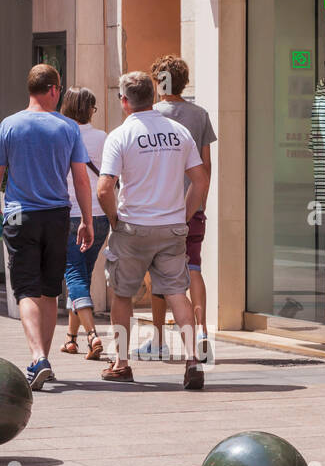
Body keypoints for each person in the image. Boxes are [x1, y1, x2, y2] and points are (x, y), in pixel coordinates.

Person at [96, 71, 210, 390]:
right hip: (171, 227)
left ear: (124, 101)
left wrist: (115, 220)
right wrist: (184, 216)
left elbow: (105, 188)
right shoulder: (179, 132)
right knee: (177, 293)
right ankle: (191, 359)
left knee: (122, 294)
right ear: (153, 95)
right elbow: (200, 180)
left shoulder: (120, 135)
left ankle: (120, 363)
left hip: (133, 226)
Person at [0, 64, 93, 390]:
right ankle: (43, 358)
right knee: (49, 289)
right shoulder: (68, 128)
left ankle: (36, 357)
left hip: (18, 213)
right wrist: (86, 220)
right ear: (54, 90)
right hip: (58, 213)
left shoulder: (10, 125)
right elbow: (81, 179)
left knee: (25, 288)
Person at [147, 54, 217, 361]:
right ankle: (201, 333)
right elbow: (206, 165)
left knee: (159, 271)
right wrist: (200, 204)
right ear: (183, 81)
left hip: (160, 209)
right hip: (193, 207)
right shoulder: (199, 114)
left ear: (159, 82)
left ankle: (159, 338)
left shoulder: (150, 115)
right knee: (194, 267)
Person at [59, 87, 109, 361]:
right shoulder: (103, 137)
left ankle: (92, 335)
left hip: (70, 214)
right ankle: (70, 339)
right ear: (91, 110)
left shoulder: (61, 135)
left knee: (74, 274)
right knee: (82, 274)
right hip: (100, 216)